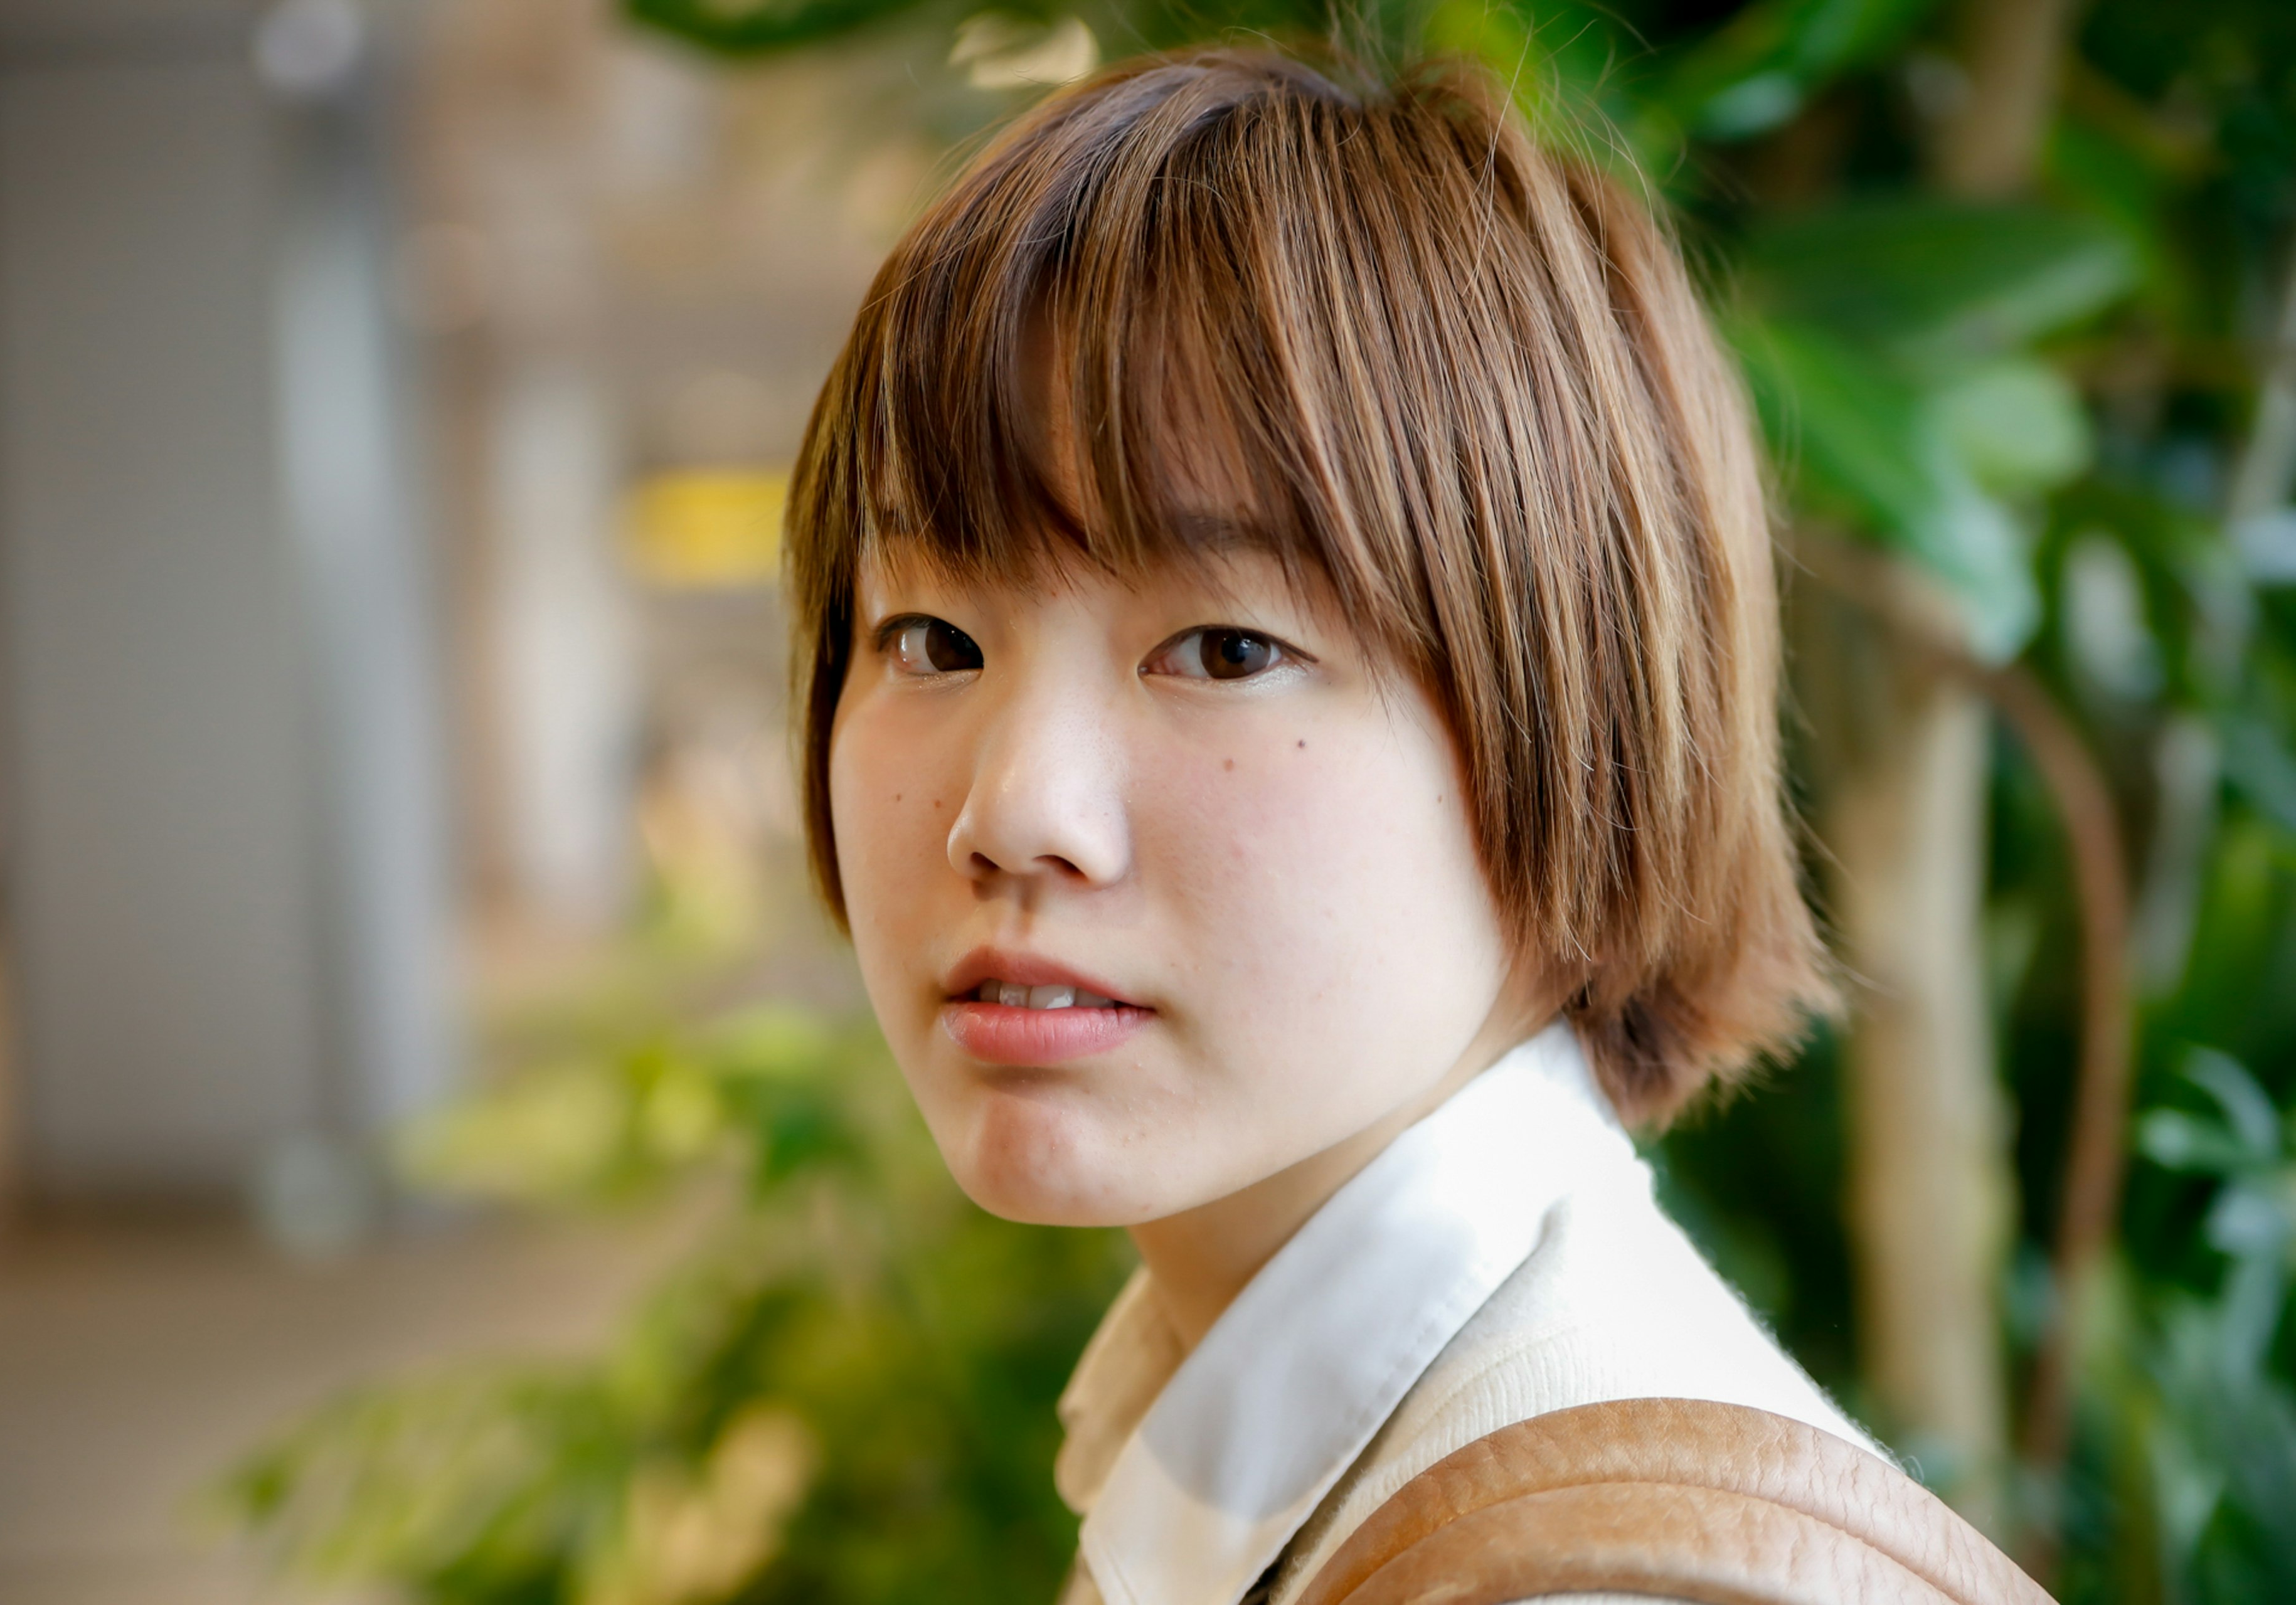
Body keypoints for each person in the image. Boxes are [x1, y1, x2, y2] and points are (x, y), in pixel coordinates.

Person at [782, 45, 2038, 1605]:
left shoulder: (1588, 1579)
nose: (1016, 809)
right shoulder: (1305, 1429)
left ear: (1579, 730)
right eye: (931, 642)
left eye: (1228, 649)